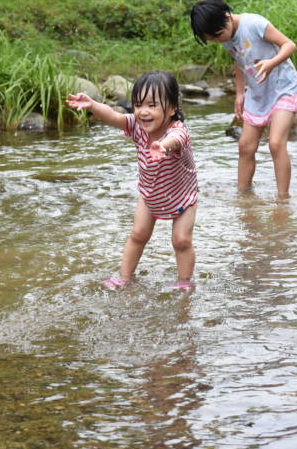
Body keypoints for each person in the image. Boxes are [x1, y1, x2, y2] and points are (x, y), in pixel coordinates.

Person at [66, 71, 198, 290]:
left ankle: (184, 282)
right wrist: (93, 105)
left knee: (181, 240)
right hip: (150, 194)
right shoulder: (137, 126)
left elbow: (176, 140)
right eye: (138, 105)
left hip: (182, 197)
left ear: (173, 108)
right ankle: (124, 277)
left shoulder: (178, 130)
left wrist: (162, 146)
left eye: (152, 105)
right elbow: (114, 117)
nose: (143, 112)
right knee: (138, 234)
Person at [190, 0, 297, 197]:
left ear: (227, 17)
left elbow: (289, 45)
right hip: (257, 92)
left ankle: (283, 200)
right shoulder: (226, 36)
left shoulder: (254, 24)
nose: (218, 41)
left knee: (276, 144)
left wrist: (271, 63)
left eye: (218, 36)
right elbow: (238, 62)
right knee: (245, 146)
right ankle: (243, 196)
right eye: (213, 40)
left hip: (283, 87)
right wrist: (240, 93)